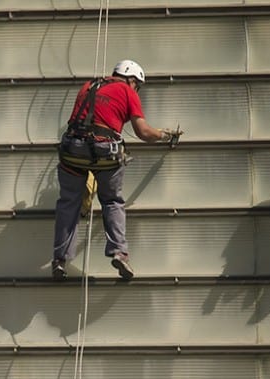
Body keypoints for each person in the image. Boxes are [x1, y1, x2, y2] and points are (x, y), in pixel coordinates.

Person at [51, 59, 182, 280]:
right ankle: (119, 253)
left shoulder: (88, 86)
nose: (136, 90)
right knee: (111, 201)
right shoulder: (127, 91)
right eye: (137, 86)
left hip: (72, 150)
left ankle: (60, 259)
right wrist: (165, 135)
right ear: (132, 79)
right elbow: (143, 132)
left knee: (68, 203)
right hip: (104, 153)